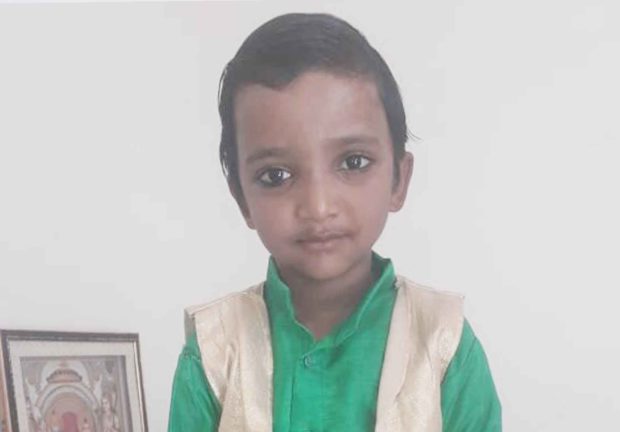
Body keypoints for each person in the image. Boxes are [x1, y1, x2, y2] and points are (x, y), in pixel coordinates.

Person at [168, 12, 501, 432]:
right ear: (242, 199)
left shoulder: (444, 345)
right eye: (276, 175)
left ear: (398, 180)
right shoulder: (214, 351)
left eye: (353, 162)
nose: (319, 205)